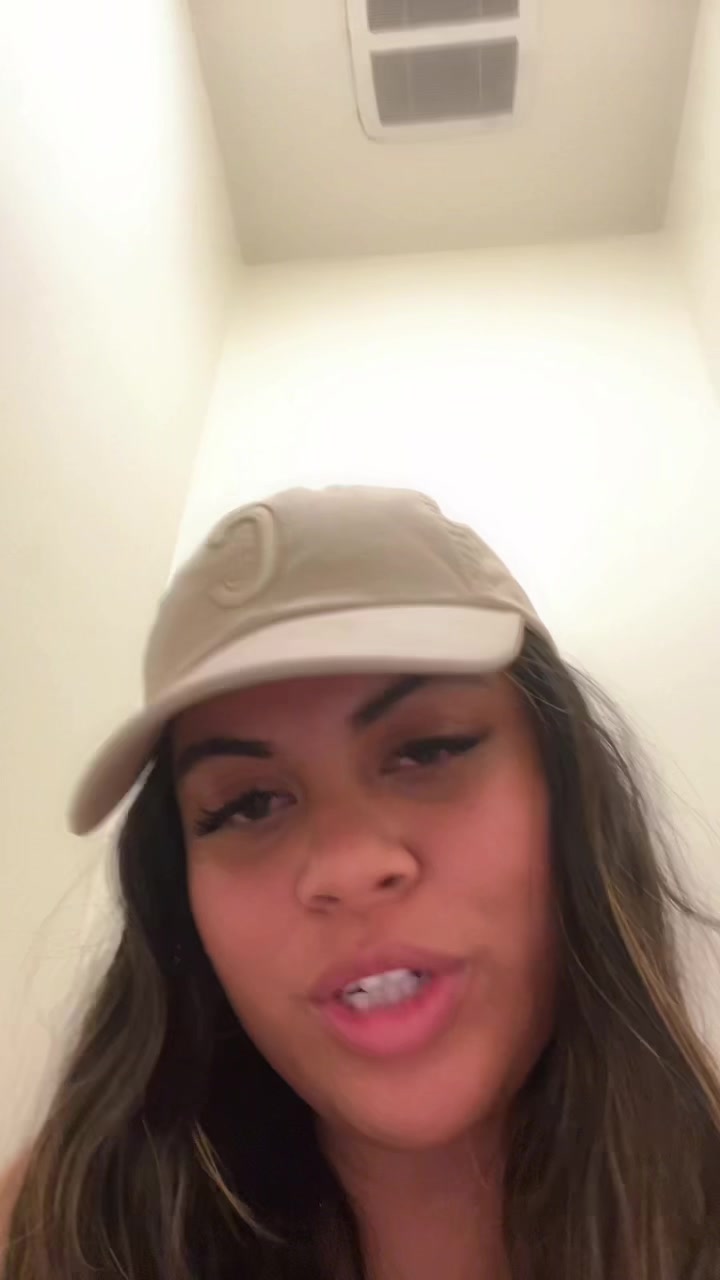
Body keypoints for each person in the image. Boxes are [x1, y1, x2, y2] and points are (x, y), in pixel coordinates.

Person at [2, 484, 719, 1280]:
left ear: (567, 790)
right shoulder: (50, 1236)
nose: (345, 867)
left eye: (428, 750)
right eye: (248, 804)